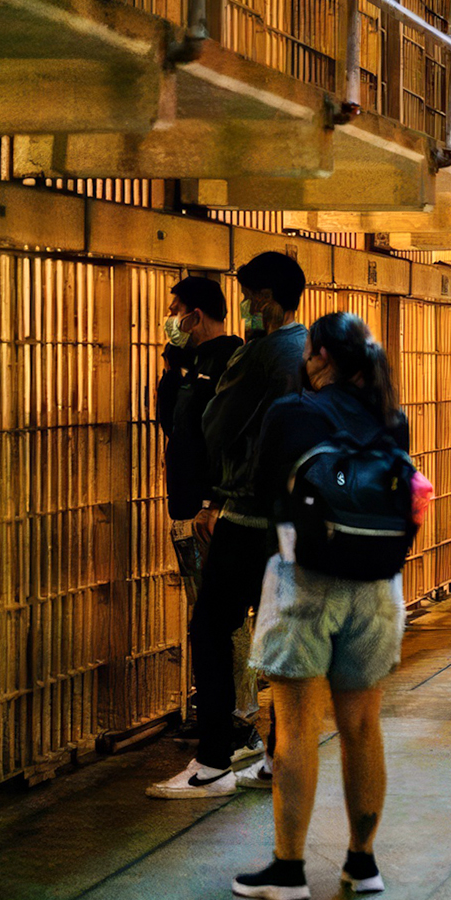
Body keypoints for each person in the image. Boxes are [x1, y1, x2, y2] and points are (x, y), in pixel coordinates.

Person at [232, 312, 409, 900]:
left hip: (305, 579)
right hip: (379, 586)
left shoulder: (294, 412)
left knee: (297, 727)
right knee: (362, 724)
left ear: (321, 358)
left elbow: (262, 491)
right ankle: (363, 864)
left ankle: (287, 871)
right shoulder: (393, 418)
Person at [148, 251, 308, 798]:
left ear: (262, 298)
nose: (245, 304)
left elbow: (212, 426)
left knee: (211, 626)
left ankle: (214, 758)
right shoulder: (310, 347)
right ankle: (279, 754)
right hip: (292, 514)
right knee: (280, 639)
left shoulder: (262, 352)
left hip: (247, 512)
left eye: (248, 294)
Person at [154, 277, 247, 745]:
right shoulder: (189, 364)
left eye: (177, 310)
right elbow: (171, 423)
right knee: (201, 608)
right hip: (186, 512)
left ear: (198, 314)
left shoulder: (231, 360)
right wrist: (172, 367)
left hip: (212, 514)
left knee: (218, 617)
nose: (171, 319)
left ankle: (236, 715)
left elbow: (227, 441)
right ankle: (216, 707)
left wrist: (216, 502)